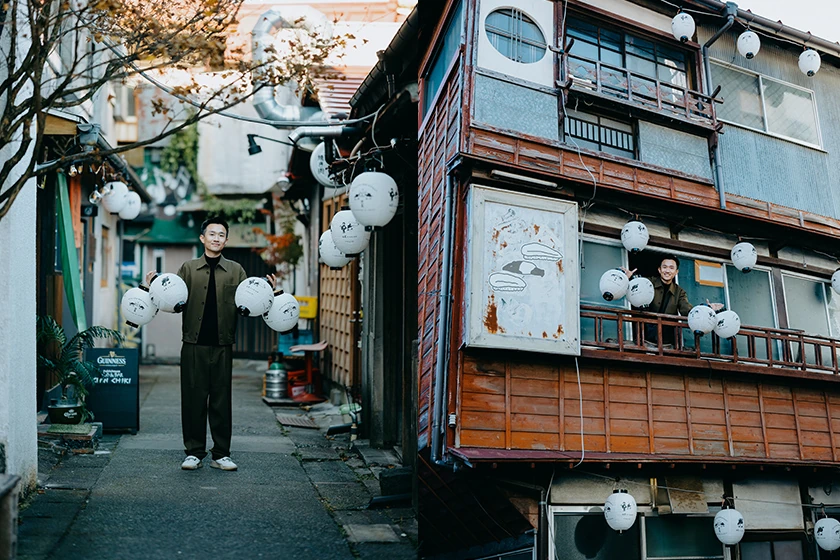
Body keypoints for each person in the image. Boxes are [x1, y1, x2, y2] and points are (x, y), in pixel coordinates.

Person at [145, 216, 275, 471]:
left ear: (226, 240)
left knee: (221, 399)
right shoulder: (188, 268)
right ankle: (193, 452)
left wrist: (269, 291)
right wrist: (153, 287)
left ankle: (221, 454)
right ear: (203, 238)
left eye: (221, 234)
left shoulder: (237, 271)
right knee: (193, 399)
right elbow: (173, 300)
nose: (216, 238)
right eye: (212, 234)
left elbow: (247, 305)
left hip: (223, 344)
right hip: (193, 344)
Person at [622, 255, 723, 347]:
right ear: (659, 270)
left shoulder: (679, 292)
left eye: (671, 268)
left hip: (666, 341)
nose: (667, 271)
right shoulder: (649, 283)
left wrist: (706, 308)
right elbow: (635, 289)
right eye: (664, 267)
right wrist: (628, 279)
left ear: (676, 272)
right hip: (643, 336)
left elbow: (687, 310)